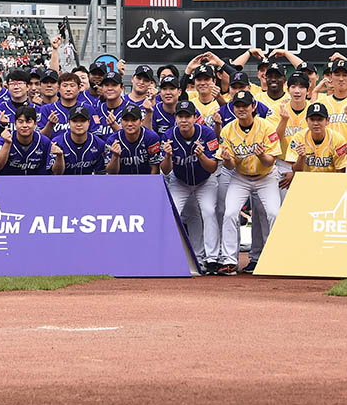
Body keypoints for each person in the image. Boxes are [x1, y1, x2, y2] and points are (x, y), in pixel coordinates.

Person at [217, 90, 281, 275]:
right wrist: (228, 159)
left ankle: (273, 258)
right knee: (229, 213)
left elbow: (271, 161)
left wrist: (261, 155)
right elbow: (229, 167)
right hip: (241, 177)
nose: (242, 109)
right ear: (233, 108)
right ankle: (229, 261)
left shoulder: (267, 127)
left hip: (266, 176)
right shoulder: (227, 130)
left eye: (245, 105)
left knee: (273, 213)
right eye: (238, 106)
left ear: (253, 107)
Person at [161, 100, 221, 274]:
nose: (184, 120)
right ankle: (169, 255)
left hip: (205, 180)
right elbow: (166, 170)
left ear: (195, 118)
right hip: (180, 181)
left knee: (209, 211)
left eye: (188, 116)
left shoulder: (208, 133)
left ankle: (211, 258)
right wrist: (167, 156)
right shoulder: (168, 135)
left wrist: (201, 156)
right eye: (180, 116)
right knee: (172, 214)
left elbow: (213, 168)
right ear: (175, 118)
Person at [0, 105, 64, 175]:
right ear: (15, 124)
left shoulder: (45, 142)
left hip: (38, 184)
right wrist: (7, 144)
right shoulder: (4, 139)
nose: (24, 125)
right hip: (9, 183)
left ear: (35, 124)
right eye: (20, 121)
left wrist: (59, 156)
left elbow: (57, 173)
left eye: (28, 121)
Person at [289, 103, 347, 173]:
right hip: (306, 180)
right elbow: (296, 171)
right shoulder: (298, 138)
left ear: (327, 120)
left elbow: (341, 170)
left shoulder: (338, 139)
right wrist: (301, 157)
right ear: (307, 120)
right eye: (312, 119)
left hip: (331, 180)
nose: (316, 123)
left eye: (320, 119)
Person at [315, 58, 347, 144]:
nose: (341, 79)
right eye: (337, 75)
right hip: (326, 154)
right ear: (331, 77)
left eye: (345, 75)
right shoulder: (320, 103)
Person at [105, 104, 162, 175]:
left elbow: (155, 168)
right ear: (121, 121)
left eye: (134, 120)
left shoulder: (151, 138)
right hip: (121, 181)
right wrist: (115, 156)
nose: (129, 124)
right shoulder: (112, 140)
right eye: (126, 120)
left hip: (145, 180)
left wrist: (150, 185)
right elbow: (111, 173)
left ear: (141, 121)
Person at [40, 72, 102, 137]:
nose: (68, 89)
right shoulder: (46, 109)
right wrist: (50, 124)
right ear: (58, 88)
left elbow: (96, 134)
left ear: (79, 88)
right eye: (65, 85)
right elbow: (40, 138)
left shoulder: (88, 108)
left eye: (72, 85)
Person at [53, 105, 109, 175]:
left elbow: (101, 174)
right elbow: (55, 173)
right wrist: (59, 157)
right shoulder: (57, 143)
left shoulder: (99, 144)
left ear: (89, 122)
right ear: (69, 123)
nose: (79, 124)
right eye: (74, 121)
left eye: (83, 121)